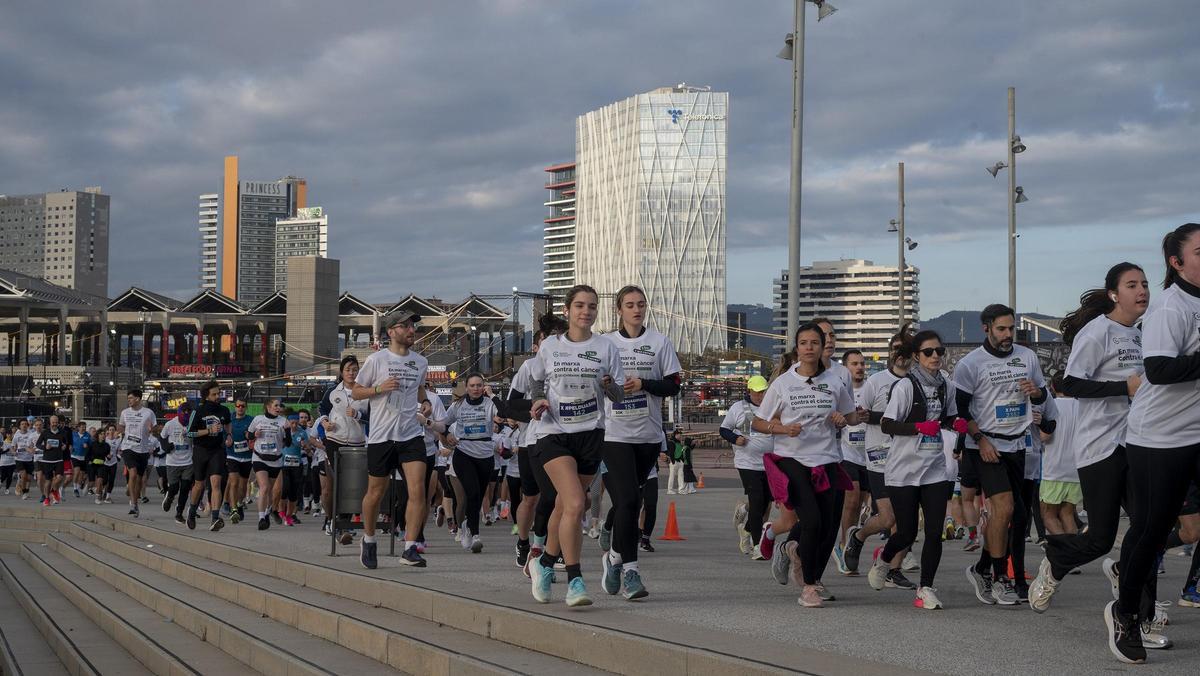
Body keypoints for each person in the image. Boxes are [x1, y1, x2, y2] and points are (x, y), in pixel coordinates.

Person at [1028, 263, 1150, 620]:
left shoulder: (1141, 335)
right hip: (1100, 446)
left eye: (1144, 283)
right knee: (1099, 537)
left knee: (1145, 529)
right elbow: (1072, 384)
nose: (1142, 290)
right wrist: (1123, 388)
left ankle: (1140, 613)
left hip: (1138, 442)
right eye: (1132, 285)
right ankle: (1055, 562)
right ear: (1114, 294)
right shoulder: (1097, 333)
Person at [1106, 224, 1200, 664]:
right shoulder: (1170, 308)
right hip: (1160, 438)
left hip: (1197, 433)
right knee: (1150, 530)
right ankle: (1125, 612)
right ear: (1176, 263)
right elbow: (1160, 370)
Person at [526, 284, 626, 607]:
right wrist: (539, 398)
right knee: (574, 503)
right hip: (553, 433)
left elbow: (619, 395)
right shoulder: (551, 347)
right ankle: (575, 581)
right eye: (580, 305)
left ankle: (542, 563)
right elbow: (535, 380)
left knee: (565, 507)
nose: (586, 311)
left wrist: (610, 386)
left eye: (592, 306)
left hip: (590, 435)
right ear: (568, 310)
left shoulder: (607, 348)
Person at [753, 321, 864, 608]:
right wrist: (782, 430)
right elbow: (758, 422)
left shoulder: (836, 382)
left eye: (815, 342)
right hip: (793, 460)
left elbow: (850, 416)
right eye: (804, 343)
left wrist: (844, 419)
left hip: (826, 458)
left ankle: (797, 554)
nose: (810, 348)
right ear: (797, 348)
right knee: (811, 521)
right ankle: (810, 586)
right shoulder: (783, 384)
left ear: (821, 346)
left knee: (827, 526)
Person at [955, 304, 1047, 606]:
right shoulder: (971, 364)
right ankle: (1000, 578)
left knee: (1016, 515)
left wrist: (1035, 392)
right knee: (1004, 508)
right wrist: (980, 440)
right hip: (985, 447)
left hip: (1018, 446)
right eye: (1002, 329)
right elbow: (961, 411)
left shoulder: (1027, 356)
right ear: (987, 328)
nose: (1008, 335)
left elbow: (1043, 395)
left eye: (1011, 328)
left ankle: (982, 567)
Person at [872, 330, 968, 610]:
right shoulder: (905, 387)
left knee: (935, 530)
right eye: (929, 352)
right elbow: (887, 424)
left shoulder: (946, 386)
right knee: (906, 532)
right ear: (916, 356)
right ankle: (883, 559)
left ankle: (925, 587)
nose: (936, 356)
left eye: (940, 351)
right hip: (904, 469)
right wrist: (917, 428)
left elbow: (948, 417)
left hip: (935, 467)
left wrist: (957, 424)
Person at [598, 285, 682, 600]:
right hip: (614, 434)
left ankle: (615, 557)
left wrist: (644, 383)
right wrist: (609, 385)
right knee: (628, 503)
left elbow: (673, 385)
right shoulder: (606, 343)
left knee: (629, 503)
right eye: (630, 304)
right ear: (619, 309)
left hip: (648, 435)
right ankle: (632, 571)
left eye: (641, 304)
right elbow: (597, 383)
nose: (636, 309)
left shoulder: (659, 343)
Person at [352, 310, 432, 569]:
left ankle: (410, 548)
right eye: (405, 326)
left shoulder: (420, 361)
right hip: (381, 436)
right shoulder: (377, 360)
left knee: (418, 489)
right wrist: (378, 389)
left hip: (410, 435)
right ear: (390, 332)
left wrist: (426, 401)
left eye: (413, 326)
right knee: (376, 493)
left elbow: (420, 388)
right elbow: (355, 391)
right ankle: (369, 539)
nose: (412, 330)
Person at [842, 327, 912, 582]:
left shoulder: (920, 380)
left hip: (910, 458)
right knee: (887, 518)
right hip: (879, 457)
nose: (901, 354)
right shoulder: (877, 381)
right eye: (896, 349)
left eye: (906, 349)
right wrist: (891, 420)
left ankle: (894, 568)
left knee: (907, 522)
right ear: (890, 354)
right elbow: (860, 416)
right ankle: (858, 536)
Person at [427, 374, 499, 554]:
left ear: (484, 387)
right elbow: (442, 426)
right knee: (472, 493)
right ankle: (475, 535)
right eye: (472, 385)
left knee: (479, 496)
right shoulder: (457, 406)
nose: (476, 388)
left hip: (485, 453)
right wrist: (446, 438)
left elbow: (503, 414)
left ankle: (467, 523)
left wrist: (493, 396)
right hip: (463, 452)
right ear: (466, 388)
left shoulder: (490, 404)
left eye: (479, 385)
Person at [721, 375, 773, 559]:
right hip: (747, 463)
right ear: (749, 391)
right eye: (756, 392)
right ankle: (759, 546)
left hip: (769, 463)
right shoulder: (738, 408)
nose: (760, 395)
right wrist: (735, 438)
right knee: (758, 501)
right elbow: (724, 429)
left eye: (763, 392)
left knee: (766, 502)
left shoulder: (772, 407)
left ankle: (747, 528)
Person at [318, 356, 368, 541]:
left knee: (352, 484)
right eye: (348, 369)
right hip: (334, 440)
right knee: (336, 481)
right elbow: (321, 409)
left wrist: (358, 414)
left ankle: (342, 523)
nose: (351, 373)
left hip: (356, 442)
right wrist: (324, 422)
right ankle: (332, 520)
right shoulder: (332, 392)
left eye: (355, 369)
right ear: (341, 372)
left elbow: (372, 416)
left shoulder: (364, 392)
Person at [834, 349, 869, 573]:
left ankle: (848, 544)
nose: (859, 367)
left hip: (870, 455)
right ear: (845, 367)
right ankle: (846, 548)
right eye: (854, 364)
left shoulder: (871, 388)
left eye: (862, 364)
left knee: (860, 505)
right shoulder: (840, 391)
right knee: (852, 499)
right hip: (847, 453)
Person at [1037, 376, 1082, 538]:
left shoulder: (1051, 406)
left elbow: (1044, 437)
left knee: (1048, 516)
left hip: (1054, 469)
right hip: (1076, 469)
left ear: (1052, 387)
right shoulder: (1082, 407)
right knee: (1067, 514)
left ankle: (1065, 552)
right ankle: (1073, 554)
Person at [185, 380, 231, 532]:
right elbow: (189, 432)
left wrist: (229, 435)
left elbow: (227, 424)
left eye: (219, 393)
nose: (218, 396)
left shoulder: (224, 410)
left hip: (217, 450)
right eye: (214, 394)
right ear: (206, 396)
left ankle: (215, 517)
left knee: (216, 483)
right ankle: (191, 512)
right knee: (199, 485)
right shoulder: (197, 411)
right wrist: (208, 430)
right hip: (200, 450)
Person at [118, 389, 157, 516]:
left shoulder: (148, 413)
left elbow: (155, 428)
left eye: (131, 398)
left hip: (143, 449)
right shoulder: (125, 413)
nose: (129, 400)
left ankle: (135, 501)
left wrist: (152, 429)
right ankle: (133, 504)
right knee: (133, 474)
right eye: (128, 398)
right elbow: (121, 427)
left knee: (140, 479)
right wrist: (120, 432)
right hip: (128, 447)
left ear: (138, 399)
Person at [161, 402, 195, 526]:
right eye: (184, 412)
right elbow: (162, 437)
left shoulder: (192, 425)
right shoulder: (170, 424)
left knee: (185, 488)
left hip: (188, 461)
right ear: (179, 412)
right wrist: (166, 447)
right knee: (174, 487)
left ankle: (179, 513)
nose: (186, 414)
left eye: (189, 412)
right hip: (173, 461)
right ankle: (169, 497)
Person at [224, 396, 254, 525]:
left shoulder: (251, 420)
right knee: (233, 482)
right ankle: (233, 509)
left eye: (243, 406)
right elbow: (223, 433)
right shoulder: (229, 419)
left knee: (242, 486)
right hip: (232, 455)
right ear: (235, 407)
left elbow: (254, 434)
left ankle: (239, 504)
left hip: (246, 456)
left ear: (246, 407)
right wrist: (226, 440)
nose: (240, 408)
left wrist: (250, 437)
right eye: (238, 406)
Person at [36, 415, 72, 506]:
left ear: (58, 422)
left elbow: (65, 443)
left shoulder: (63, 432)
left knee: (59, 477)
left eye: (56, 422)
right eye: (53, 422)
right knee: (48, 480)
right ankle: (47, 499)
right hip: (47, 460)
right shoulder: (45, 432)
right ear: (50, 423)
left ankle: (53, 490)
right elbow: (38, 444)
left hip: (59, 459)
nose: (55, 424)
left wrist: (64, 446)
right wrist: (45, 447)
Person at [12, 419, 36, 499]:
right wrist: (14, 452)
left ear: (28, 425)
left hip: (29, 459)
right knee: (24, 475)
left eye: (26, 424)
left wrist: (32, 449)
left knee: (28, 478)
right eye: (22, 424)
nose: (24, 425)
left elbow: (34, 444)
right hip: (19, 458)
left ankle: (23, 487)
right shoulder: (17, 434)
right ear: (20, 426)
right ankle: (24, 493)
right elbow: (13, 447)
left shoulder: (31, 434)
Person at [70, 421, 90, 498]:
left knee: (81, 474)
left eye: (85, 426)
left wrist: (87, 446)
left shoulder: (87, 435)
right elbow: (70, 443)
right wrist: (70, 447)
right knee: (77, 471)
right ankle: (75, 488)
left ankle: (77, 488)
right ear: (78, 427)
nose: (84, 428)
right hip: (75, 456)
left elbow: (90, 446)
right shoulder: (73, 434)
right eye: (82, 427)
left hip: (83, 457)